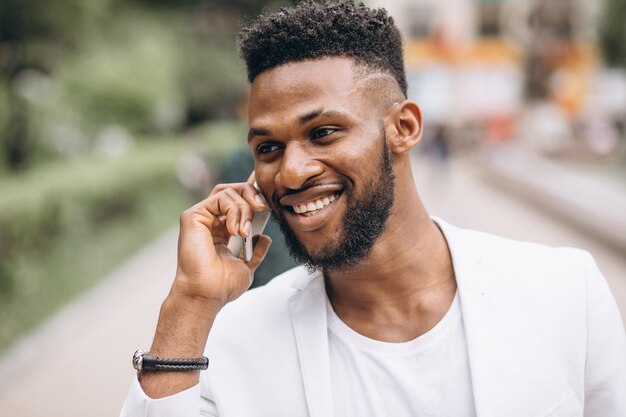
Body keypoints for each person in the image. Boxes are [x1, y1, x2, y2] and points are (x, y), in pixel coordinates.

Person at [120, 2, 626, 416]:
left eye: (323, 133)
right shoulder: (227, 339)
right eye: (268, 148)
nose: (292, 172)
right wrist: (189, 302)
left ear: (403, 128)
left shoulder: (565, 291)